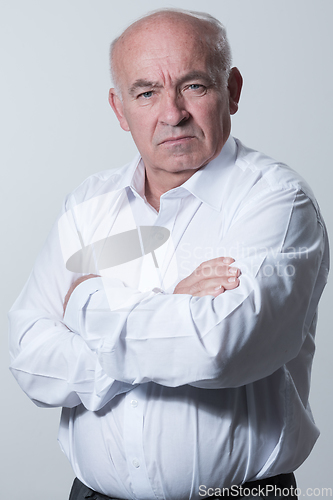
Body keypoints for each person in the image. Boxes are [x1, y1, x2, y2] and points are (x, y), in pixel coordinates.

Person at [9, 8, 329, 500]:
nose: (172, 112)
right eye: (146, 93)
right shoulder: (88, 206)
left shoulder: (277, 201)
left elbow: (219, 347)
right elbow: (30, 359)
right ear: (119, 109)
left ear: (234, 90)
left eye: (195, 86)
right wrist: (172, 302)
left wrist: (84, 304)